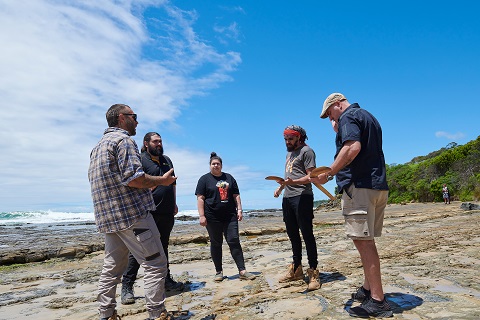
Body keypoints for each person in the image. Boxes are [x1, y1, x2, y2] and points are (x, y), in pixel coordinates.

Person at [88, 104, 177, 320]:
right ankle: (157, 314)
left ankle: (106, 314)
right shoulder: (124, 140)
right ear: (121, 118)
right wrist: (162, 181)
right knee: (156, 264)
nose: (137, 121)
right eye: (134, 116)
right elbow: (135, 178)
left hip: (108, 219)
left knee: (111, 268)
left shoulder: (97, 146)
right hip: (131, 215)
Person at [312, 93, 393, 318]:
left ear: (338, 104)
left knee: (364, 243)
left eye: (330, 114)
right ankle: (368, 288)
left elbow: (352, 148)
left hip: (360, 187)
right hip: (377, 186)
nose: (331, 120)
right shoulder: (368, 117)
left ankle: (378, 300)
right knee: (367, 240)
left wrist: (329, 173)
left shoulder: (348, 117)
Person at [121, 132, 184, 305]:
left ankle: (166, 280)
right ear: (146, 143)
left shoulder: (167, 160)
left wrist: (174, 203)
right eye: (156, 141)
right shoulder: (140, 159)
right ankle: (127, 286)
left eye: (161, 141)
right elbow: (135, 183)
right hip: (148, 212)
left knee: (163, 247)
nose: (159, 144)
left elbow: (172, 183)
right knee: (140, 250)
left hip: (166, 211)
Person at [195, 152, 256, 282]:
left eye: (218, 164)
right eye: (213, 164)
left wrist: (239, 210)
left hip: (230, 216)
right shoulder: (204, 179)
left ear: (221, 165)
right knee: (216, 243)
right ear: (210, 165)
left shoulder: (229, 177)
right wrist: (201, 216)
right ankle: (219, 272)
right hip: (212, 217)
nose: (215, 166)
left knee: (234, 241)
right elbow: (200, 198)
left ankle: (242, 271)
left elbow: (236, 195)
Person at [274, 125, 321, 291]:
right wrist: (281, 188)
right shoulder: (289, 153)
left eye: (290, 139)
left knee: (307, 234)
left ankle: (313, 272)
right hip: (288, 197)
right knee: (293, 234)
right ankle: (296, 270)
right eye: (285, 139)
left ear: (299, 138)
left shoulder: (307, 152)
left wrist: (293, 183)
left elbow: (311, 177)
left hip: (303, 196)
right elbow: (289, 177)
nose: (287, 142)